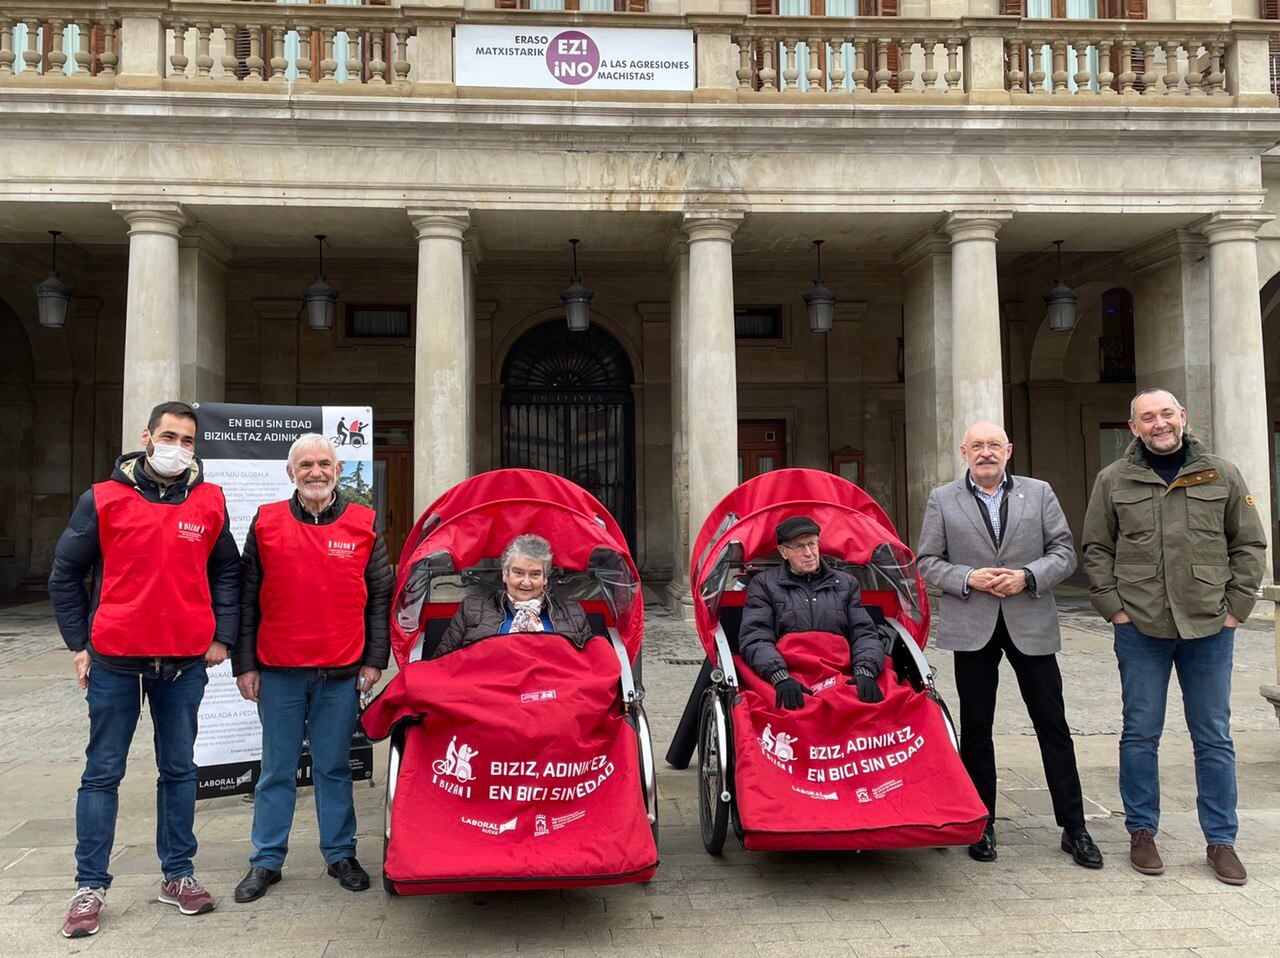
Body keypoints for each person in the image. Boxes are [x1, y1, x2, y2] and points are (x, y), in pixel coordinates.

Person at [48, 401, 239, 938]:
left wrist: (222, 635)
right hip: (114, 660)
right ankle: (90, 885)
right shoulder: (103, 499)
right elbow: (66, 572)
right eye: (169, 436)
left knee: (179, 771)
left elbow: (227, 571)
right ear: (147, 436)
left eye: (188, 439)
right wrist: (78, 643)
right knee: (103, 772)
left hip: (182, 664)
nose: (178, 446)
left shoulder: (209, 500)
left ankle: (177, 875)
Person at [1083, 388, 1265, 885]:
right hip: (1140, 626)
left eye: (1167, 413)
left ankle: (1221, 840)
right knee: (1140, 733)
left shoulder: (1221, 474)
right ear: (1134, 426)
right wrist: (1113, 609)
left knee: (1214, 735)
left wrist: (1237, 610)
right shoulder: (1113, 479)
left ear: (1182, 417)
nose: (1159, 423)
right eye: (1148, 417)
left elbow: (1248, 543)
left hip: (1209, 625)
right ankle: (1142, 832)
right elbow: (1096, 548)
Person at [917, 421, 1101, 869]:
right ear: (964, 451)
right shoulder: (943, 499)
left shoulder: (1039, 493)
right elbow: (926, 561)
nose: (986, 452)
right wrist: (967, 576)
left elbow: (1064, 552)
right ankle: (982, 823)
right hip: (973, 624)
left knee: (1052, 725)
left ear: (1009, 450)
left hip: (1030, 620)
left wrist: (1027, 576)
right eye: (977, 445)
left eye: (994, 445)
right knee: (977, 728)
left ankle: (1074, 827)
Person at [231, 434, 392, 903]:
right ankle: (265, 860)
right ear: (290, 473)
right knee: (277, 770)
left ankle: (340, 853)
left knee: (334, 768)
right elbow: (246, 597)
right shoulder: (265, 522)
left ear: (338, 471)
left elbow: (380, 594)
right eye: (306, 465)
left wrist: (374, 659)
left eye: (324, 463)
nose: (316, 472)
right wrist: (244, 664)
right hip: (278, 670)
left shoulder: (365, 524)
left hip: (340, 672)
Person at [737, 515, 884, 710]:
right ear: (783, 552)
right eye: (799, 546)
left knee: (889, 704)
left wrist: (865, 671)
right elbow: (756, 636)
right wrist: (779, 677)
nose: (808, 553)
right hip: (789, 672)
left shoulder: (846, 583)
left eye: (812, 544)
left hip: (840, 672)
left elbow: (863, 632)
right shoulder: (763, 584)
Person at [433, 533, 592, 657]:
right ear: (505, 574)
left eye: (535, 574)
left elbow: (590, 665)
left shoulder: (572, 612)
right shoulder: (471, 608)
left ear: (545, 579)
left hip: (553, 694)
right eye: (518, 572)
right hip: (488, 693)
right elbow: (443, 661)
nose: (526, 582)